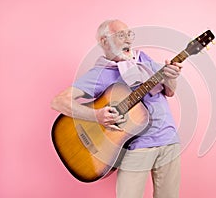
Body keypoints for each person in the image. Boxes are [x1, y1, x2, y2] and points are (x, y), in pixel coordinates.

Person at [51, 19, 182, 198]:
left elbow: (169, 91)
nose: (129, 40)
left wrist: (171, 77)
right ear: (104, 41)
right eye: (121, 35)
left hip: (169, 141)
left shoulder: (143, 59)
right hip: (136, 147)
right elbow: (58, 101)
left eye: (130, 34)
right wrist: (96, 115)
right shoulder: (99, 73)